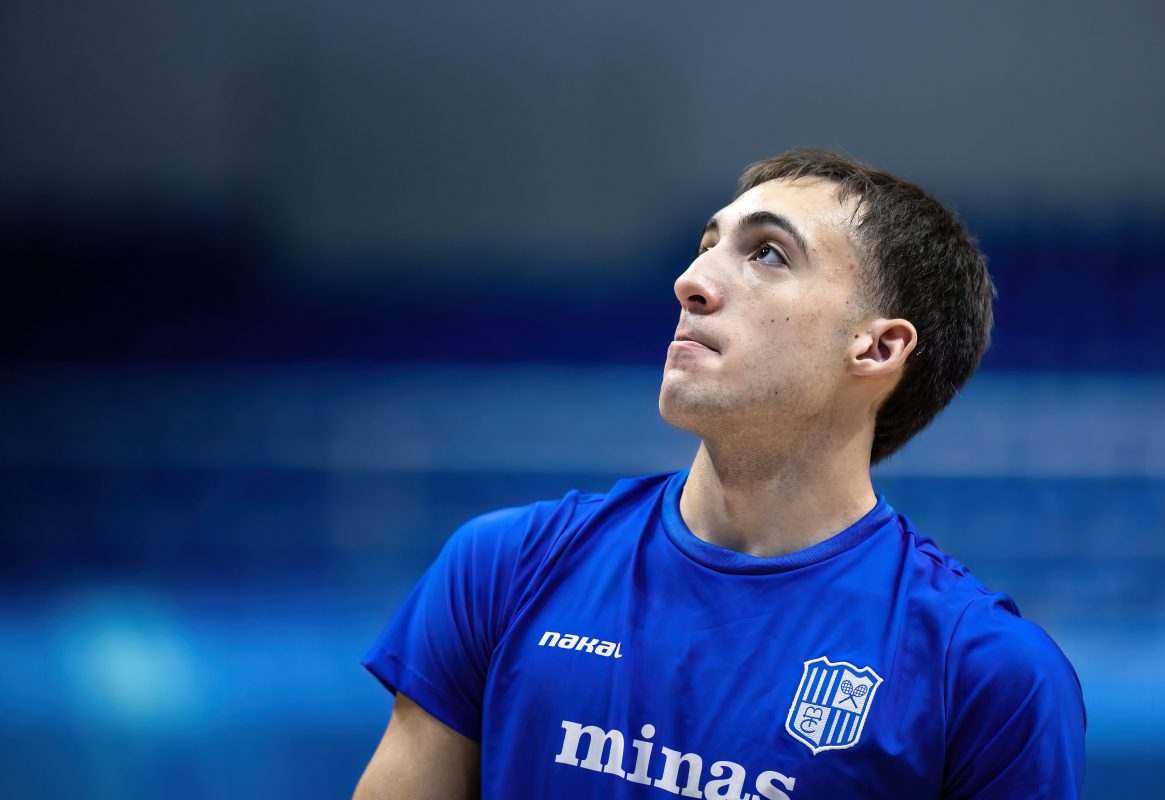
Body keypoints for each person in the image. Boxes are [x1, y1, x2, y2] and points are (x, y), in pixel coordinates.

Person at [352, 148, 1086, 799]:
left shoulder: (986, 676)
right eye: (706, 246)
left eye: (767, 254)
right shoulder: (503, 567)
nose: (690, 282)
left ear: (876, 348)